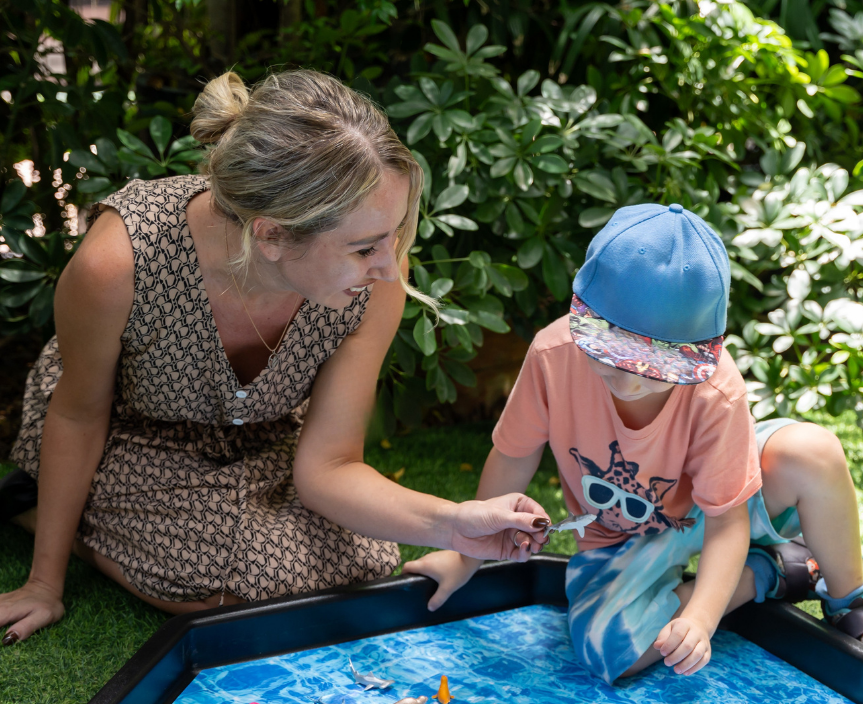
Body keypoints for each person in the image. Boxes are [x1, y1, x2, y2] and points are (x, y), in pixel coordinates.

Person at [0, 70, 547, 646]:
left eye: (393, 236)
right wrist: (44, 583)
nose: (390, 268)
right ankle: (35, 504)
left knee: (358, 564)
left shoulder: (376, 280)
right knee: (212, 589)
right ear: (272, 237)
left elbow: (330, 466)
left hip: (260, 434)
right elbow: (79, 414)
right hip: (127, 429)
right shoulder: (117, 264)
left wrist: (455, 524)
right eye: (364, 247)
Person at [404, 202, 863, 683]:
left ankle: (851, 604)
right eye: (612, 356)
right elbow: (512, 458)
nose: (632, 381)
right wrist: (463, 556)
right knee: (609, 649)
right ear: (582, 321)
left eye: (657, 368)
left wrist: (702, 619)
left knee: (811, 452)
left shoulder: (714, 388)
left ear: (696, 352)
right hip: (623, 535)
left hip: (722, 507)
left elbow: (727, 520)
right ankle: (775, 570)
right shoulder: (553, 356)